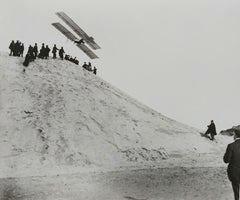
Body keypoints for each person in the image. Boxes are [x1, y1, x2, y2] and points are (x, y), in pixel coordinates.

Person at [224, 128, 240, 200]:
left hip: (234, 173)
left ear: (235, 135)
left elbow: (226, 160)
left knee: (236, 191)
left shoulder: (231, 146)